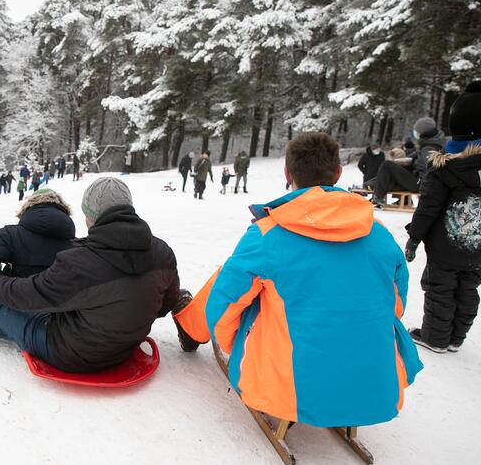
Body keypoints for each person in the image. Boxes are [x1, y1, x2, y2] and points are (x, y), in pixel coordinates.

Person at [172, 132, 422, 427]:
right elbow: (396, 305)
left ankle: (190, 326)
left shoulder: (268, 235)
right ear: (339, 173)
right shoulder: (379, 235)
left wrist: (239, 345)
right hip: (378, 388)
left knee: (236, 283)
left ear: (287, 173)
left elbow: (222, 311)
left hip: (288, 389)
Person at [0, 177, 181, 373]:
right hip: (125, 349)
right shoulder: (163, 253)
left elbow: (25, 297)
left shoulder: (82, 261)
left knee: (0, 311)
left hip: (70, 353)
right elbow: (164, 306)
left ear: (91, 216)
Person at [404, 80, 481, 354]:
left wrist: (414, 238)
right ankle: (456, 337)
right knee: (469, 287)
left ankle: (436, 337)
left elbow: (428, 208)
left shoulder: (443, 166)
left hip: (445, 247)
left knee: (440, 288)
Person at [0, 189, 76, 293]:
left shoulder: (10, 235)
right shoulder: (77, 245)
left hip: (14, 305)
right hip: (62, 309)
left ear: (27, 207)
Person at [372, 117, 444, 209]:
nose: (415, 133)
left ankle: (378, 198)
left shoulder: (428, 148)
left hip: (422, 183)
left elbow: (430, 169)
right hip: (421, 181)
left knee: (387, 165)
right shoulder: (429, 145)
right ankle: (396, 198)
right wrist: (403, 159)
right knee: (394, 169)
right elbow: (414, 158)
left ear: (423, 132)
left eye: (417, 131)